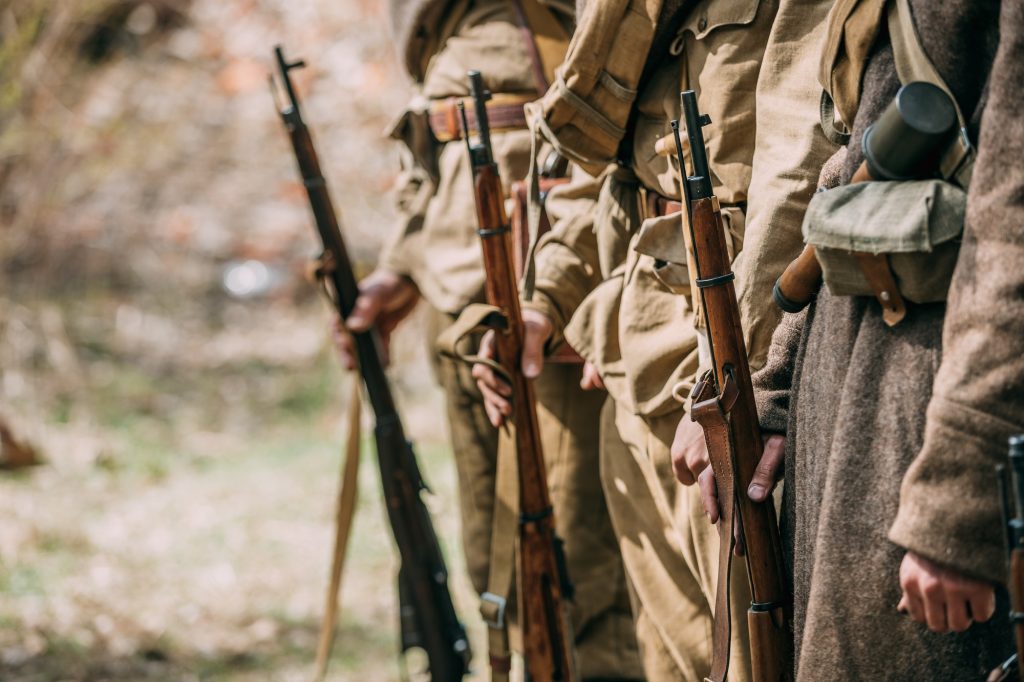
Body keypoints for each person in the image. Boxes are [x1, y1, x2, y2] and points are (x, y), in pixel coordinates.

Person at [476, 0, 837, 677]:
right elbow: (606, 162)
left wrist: (736, 382)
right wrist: (547, 298)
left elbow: (799, 174)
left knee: (748, 660)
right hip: (633, 342)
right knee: (671, 659)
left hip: (731, 346)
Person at [334, 0, 642, 678]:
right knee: (495, 560)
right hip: (456, 285)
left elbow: (598, 130)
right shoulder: (448, 26)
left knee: (578, 574)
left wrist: (557, 291)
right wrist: (400, 261)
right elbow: (436, 142)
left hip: (542, 281)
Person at [729, 0, 1021, 678]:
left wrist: (959, 496)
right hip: (856, 407)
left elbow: (1014, 229)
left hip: (931, 424)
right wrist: (780, 381)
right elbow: (851, 170)